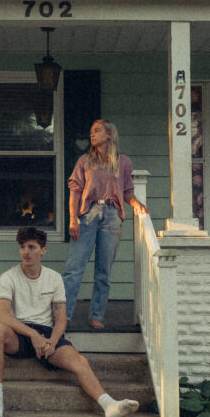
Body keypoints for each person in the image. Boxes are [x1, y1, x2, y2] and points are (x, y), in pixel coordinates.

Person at [0, 225, 140, 417]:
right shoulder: (9, 277)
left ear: (43, 250)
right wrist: (32, 335)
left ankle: (108, 405)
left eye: (31, 247)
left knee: (79, 361)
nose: (26, 252)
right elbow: (3, 316)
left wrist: (51, 341)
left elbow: (61, 319)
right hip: (20, 333)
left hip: (48, 334)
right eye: (22, 247)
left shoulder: (54, 278)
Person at [63, 119, 149, 330]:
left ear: (109, 134)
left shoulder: (124, 162)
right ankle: (63, 316)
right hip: (88, 215)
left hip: (112, 216)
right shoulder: (84, 161)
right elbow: (75, 191)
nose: (92, 134)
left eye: (97, 130)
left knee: (104, 271)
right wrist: (73, 218)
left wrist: (136, 203)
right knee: (74, 269)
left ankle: (96, 315)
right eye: (91, 131)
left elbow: (127, 190)